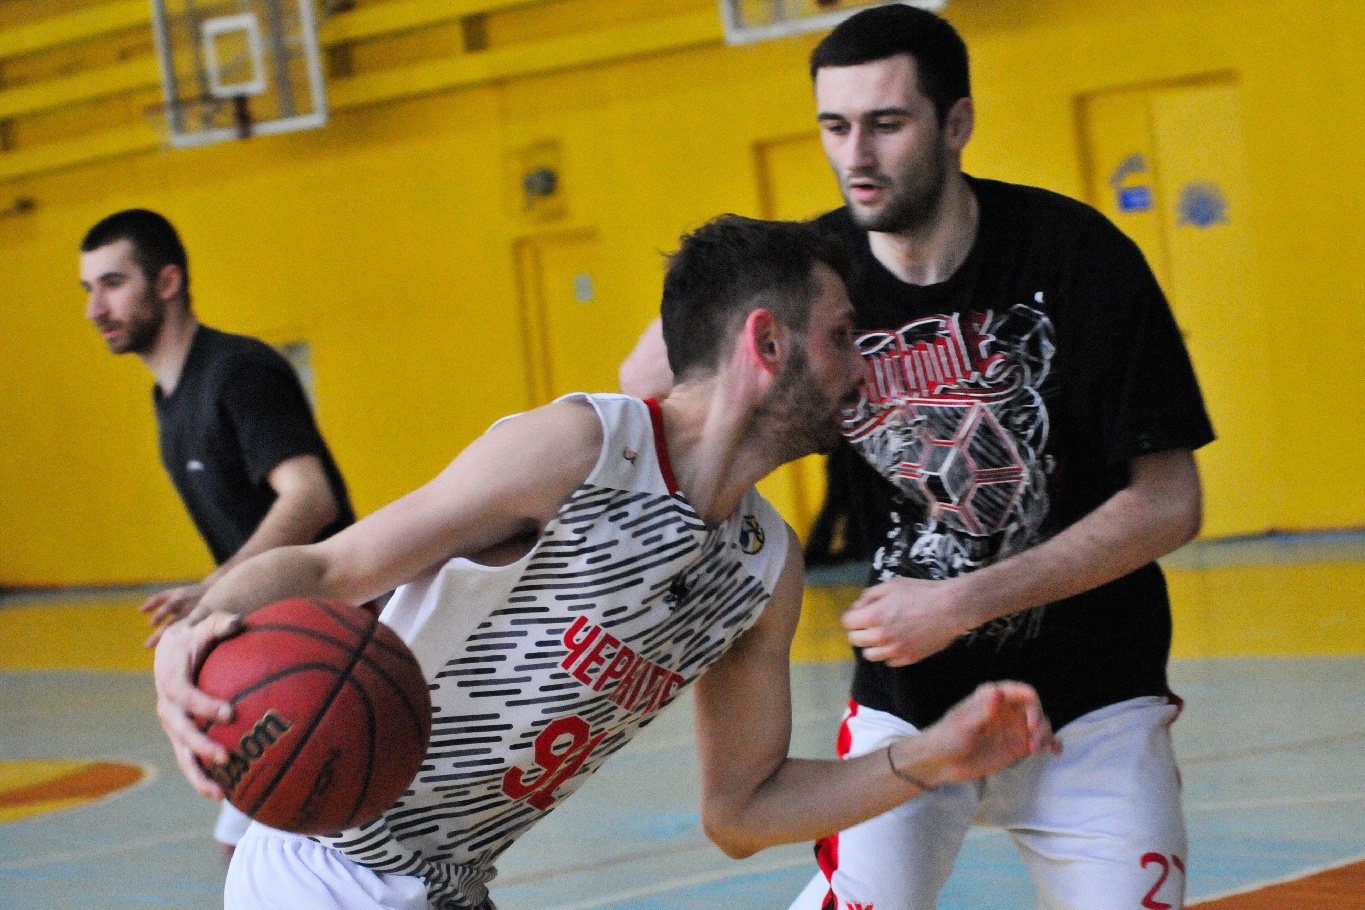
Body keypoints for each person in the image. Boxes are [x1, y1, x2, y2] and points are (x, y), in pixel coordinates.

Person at [154, 215, 1056, 910]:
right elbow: (328, 570)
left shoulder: (763, 568)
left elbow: (742, 811)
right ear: (766, 344)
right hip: (324, 872)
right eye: (841, 335)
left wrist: (933, 757)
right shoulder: (580, 451)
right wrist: (195, 637)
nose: (864, 368)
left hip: (448, 884)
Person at [787, 6, 1215, 909]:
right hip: (909, 713)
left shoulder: (1076, 257)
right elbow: (667, 378)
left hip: (1094, 704)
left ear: (957, 123)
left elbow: (1169, 501)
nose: (856, 154)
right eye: (835, 125)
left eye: (886, 123)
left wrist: (960, 602)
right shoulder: (810, 277)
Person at [80, 208, 356, 861]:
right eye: (88, 289)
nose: (95, 308)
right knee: (249, 855)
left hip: (326, 639)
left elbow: (309, 497)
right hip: (266, 637)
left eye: (113, 283)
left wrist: (217, 586)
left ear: (167, 281)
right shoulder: (169, 397)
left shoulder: (237, 371)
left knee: (290, 853)